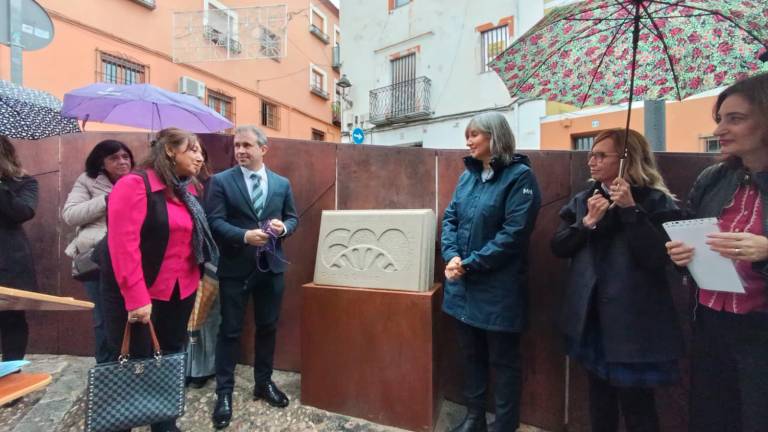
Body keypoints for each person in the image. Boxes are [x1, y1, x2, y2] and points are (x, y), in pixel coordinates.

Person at [551, 129, 683, 432]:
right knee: (599, 399)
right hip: (592, 317)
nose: (592, 162)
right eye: (591, 155)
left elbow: (656, 259)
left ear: (626, 159)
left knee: (638, 406)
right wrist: (586, 223)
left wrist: (630, 210)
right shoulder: (585, 199)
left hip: (633, 323)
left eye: (601, 156)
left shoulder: (656, 202)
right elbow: (558, 247)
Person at [666, 73, 768, 432]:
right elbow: (687, 231)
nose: (721, 129)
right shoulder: (713, 178)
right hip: (711, 321)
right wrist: (679, 252)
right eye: (719, 119)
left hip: (761, 330)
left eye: (735, 119)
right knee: (712, 417)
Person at [99, 127, 218, 432]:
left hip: (179, 292)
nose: (199, 156)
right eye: (192, 149)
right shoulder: (133, 185)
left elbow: (191, 240)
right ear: (169, 151)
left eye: (200, 150)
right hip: (138, 295)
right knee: (131, 360)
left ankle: (164, 422)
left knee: (171, 356)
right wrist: (137, 298)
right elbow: (123, 246)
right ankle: (119, 421)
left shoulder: (188, 190)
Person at [441, 112, 541, 432]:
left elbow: (513, 235)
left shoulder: (520, 178)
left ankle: (505, 424)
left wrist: (470, 263)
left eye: (475, 135)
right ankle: (474, 418)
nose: (468, 141)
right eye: (467, 135)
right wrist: (453, 255)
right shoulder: (467, 176)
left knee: (504, 361)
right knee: (471, 356)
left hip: (499, 288)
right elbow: (451, 220)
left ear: (495, 137)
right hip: (463, 286)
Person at [206, 125, 298, 430]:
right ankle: (224, 394)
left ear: (263, 149)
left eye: (247, 145)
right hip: (235, 269)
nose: (241, 151)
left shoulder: (282, 184)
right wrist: (244, 235)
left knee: (268, 327)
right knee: (230, 331)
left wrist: (284, 228)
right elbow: (214, 222)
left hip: (271, 269)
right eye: (237, 146)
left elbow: (293, 217)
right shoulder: (220, 181)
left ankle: (263, 383)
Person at [62, 140, 134, 364]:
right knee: (103, 318)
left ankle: (131, 366)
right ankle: (105, 369)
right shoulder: (87, 181)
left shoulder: (138, 180)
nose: (122, 161)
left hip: (131, 259)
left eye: (125, 156)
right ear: (101, 163)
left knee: (133, 315)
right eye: (114, 158)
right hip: (97, 260)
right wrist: (107, 199)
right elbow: (71, 215)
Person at [0, 135, 38, 362]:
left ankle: (11, 374)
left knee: (11, 318)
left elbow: (23, 212)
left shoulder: (25, 183)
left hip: (9, 261)